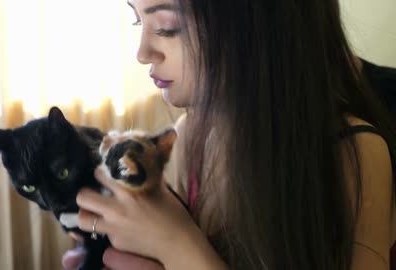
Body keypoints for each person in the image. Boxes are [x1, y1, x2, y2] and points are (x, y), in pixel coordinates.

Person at [62, 0, 396, 269]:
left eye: (167, 27)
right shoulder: (189, 137)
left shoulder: (356, 153)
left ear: (258, 27)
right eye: (138, 21)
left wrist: (178, 245)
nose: (143, 52)